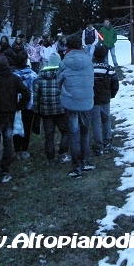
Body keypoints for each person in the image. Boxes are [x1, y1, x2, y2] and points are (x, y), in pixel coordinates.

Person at [0, 55, 30, 185]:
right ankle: (5, 172)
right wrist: (19, 106)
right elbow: (26, 92)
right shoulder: (14, 78)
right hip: (10, 113)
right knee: (7, 142)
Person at [57, 35, 95, 178]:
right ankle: (85, 162)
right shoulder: (89, 61)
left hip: (71, 102)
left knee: (74, 134)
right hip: (86, 102)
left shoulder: (65, 62)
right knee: (85, 133)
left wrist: (64, 92)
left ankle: (76, 167)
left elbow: (58, 81)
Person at [33, 52, 70, 165]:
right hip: (61, 109)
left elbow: (36, 96)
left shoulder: (40, 77)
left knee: (49, 136)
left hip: (46, 110)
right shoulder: (63, 75)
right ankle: (62, 154)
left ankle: (50, 159)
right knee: (65, 131)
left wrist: (36, 110)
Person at [90, 45, 119, 156]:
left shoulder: (90, 68)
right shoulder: (109, 68)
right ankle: (108, 141)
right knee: (106, 120)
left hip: (93, 98)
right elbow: (115, 84)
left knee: (95, 122)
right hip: (106, 97)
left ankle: (98, 145)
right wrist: (112, 94)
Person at [12, 51, 38, 160]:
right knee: (27, 128)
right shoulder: (32, 74)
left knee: (16, 127)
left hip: (15, 104)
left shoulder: (13, 75)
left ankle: (17, 150)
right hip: (29, 105)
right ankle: (24, 150)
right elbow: (36, 90)